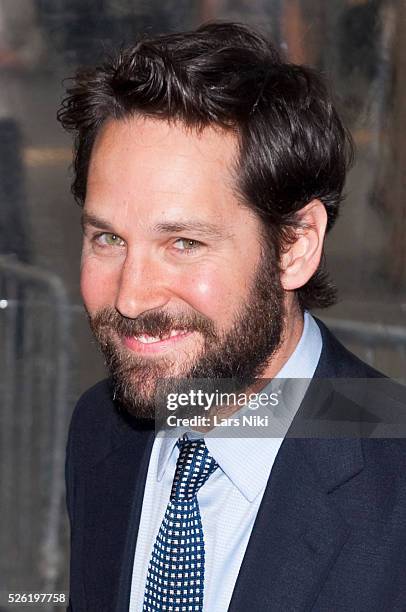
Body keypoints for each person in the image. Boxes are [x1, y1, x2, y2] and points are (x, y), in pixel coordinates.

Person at [58, 22, 406, 612]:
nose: (131, 299)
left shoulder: (393, 473)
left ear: (294, 246)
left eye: (184, 242)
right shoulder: (101, 429)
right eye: (109, 238)